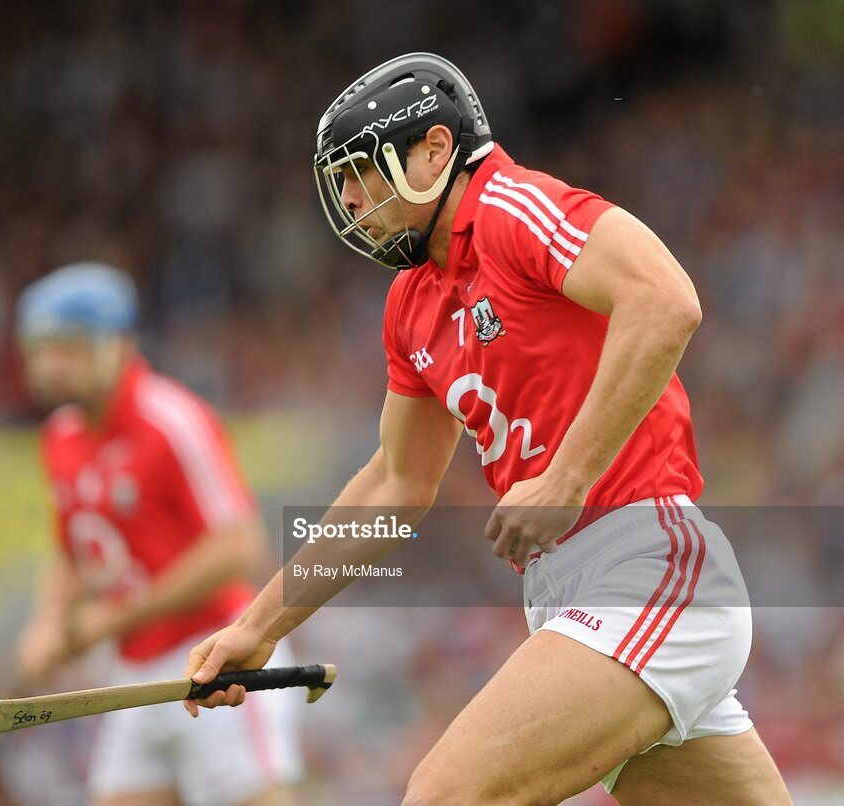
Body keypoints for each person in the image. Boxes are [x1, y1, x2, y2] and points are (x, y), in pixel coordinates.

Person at [183, 54, 791, 805]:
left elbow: (665, 300)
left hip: (644, 564)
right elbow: (397, 483)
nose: (345, 199)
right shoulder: (411, 302)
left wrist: (566, 477)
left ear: (435, 151)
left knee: (445, 797)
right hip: (570, 590)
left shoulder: (513, 207)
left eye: (358, 171)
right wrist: (261, 624)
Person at [14, 263, 302, 806]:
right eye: (42, 348)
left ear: (118, 343)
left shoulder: (172, 420)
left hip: (218, 656)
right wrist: (47, 621)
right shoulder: (59, 439)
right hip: (135, 675)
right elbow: (71, 549)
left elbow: (239, 545)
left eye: (69, 347)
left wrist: (112, 617)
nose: (53, 366)